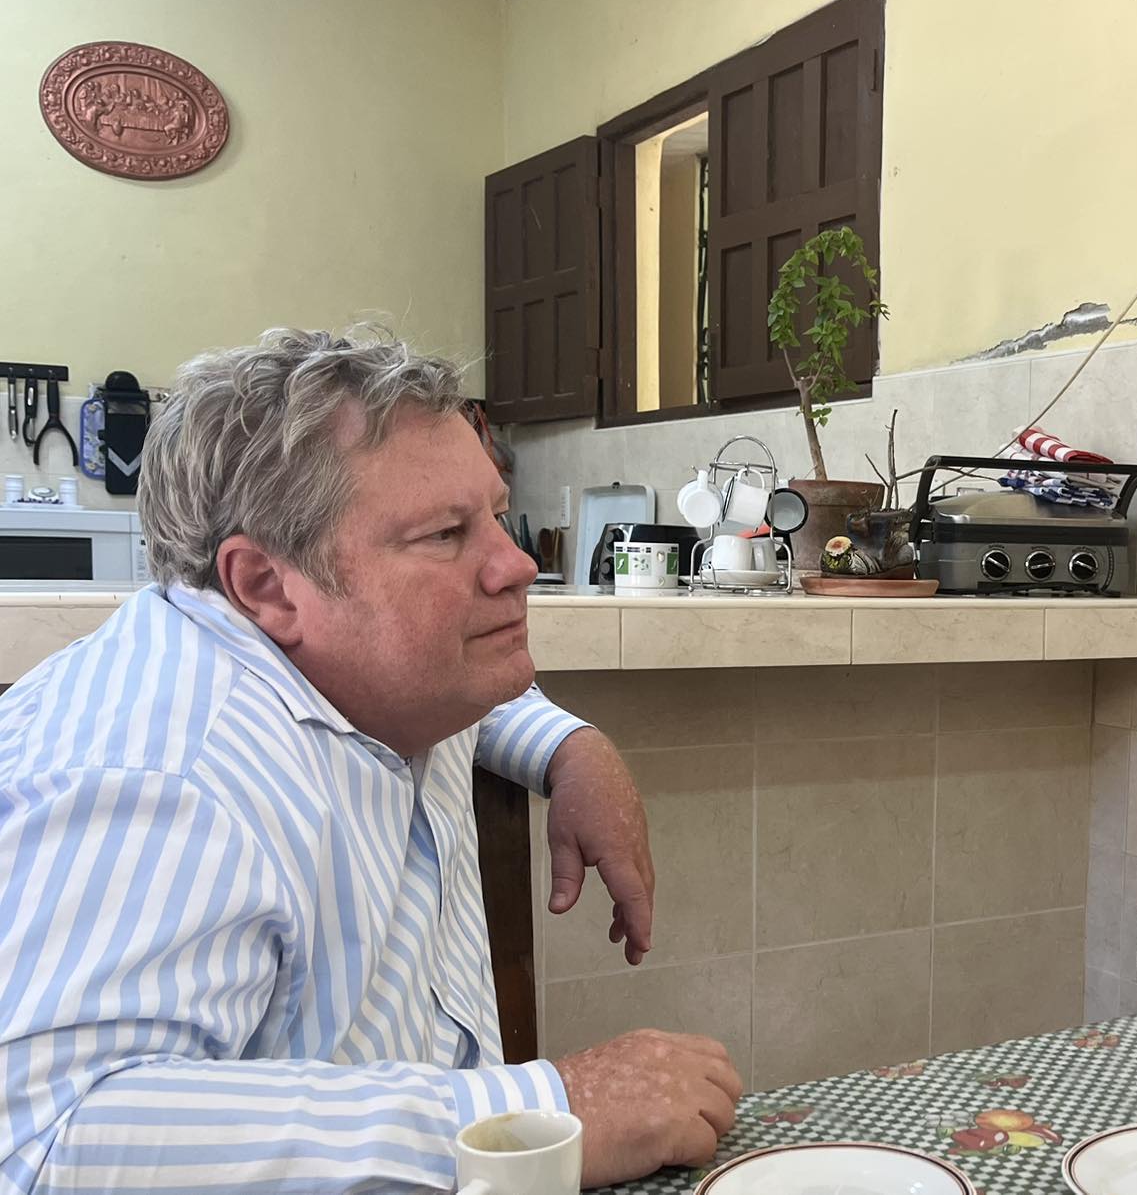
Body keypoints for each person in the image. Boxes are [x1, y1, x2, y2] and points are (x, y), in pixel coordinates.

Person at [0, 329, 739, 1192]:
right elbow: (49, 1142)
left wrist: (571, 747)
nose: (518, 565)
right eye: (444, 535)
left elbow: (459, 688)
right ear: (267, 586)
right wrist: (541, 1110)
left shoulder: (375, 665)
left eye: (496, 514)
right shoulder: (159, 774)